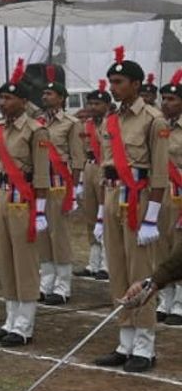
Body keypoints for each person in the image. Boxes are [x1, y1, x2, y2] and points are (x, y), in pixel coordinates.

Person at [93, 46, 168, 372]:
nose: (114, 86)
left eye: (120, 81)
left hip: (138, 200)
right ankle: (124, 341)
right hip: (111, 196)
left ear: (136, 84)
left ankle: (144, 346)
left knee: (140, 274)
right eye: (111, 81)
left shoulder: (153, 119)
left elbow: (160, 172)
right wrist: (99, 212)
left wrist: (151, 216)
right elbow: (104, 168)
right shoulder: (110, 119)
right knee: (117, 272)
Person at [0, 59, 51, 346]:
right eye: (1, 97)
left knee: (24, 262)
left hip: (22, 199)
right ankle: (10, 318)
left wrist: (39, 211)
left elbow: (41, 174)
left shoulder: (36, 131)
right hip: (1, 196)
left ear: (24, 101)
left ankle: (24, 324)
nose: (3, 102)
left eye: (9, 97)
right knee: (6, 260)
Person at [37, 68, 85, 305]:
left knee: (60, 235)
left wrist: (74, 188)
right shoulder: (37, 121)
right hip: (39, 184)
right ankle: (46, 281)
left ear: (61, 98)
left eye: (50, 94)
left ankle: (62, 285)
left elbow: (77, 158)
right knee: (42, 233)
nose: (45, 97)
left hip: (59, 183)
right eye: (44, 93)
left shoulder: (71, 123)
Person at [75, 80, 113, 281]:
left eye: (97, 104)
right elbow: (81, 151)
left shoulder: (112, 122)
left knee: (105, 216)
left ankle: (107, 263)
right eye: (90, 104)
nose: (92, 107)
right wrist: (80, 179)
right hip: (89, 167)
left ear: (107, 105)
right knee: (91, 216)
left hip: (105, 169)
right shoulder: (86, 125)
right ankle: (93, 261)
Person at [154, 70, 182, 325]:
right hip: (161, 192)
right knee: (161, 245)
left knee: (179, 247)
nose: (166, 103)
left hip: (180, 192)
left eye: (172, 99)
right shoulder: (159, 126)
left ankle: (180, 304)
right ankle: (165, 300)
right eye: (163, 98)